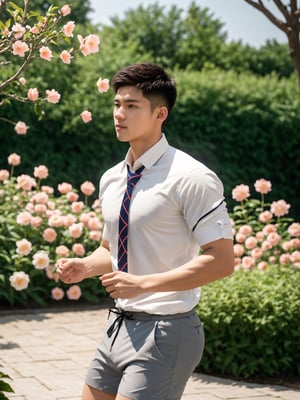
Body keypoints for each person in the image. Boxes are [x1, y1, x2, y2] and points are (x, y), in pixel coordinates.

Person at [57, 62, 234, 400]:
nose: (119, 114)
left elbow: (222, 261)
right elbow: (110, 250)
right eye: (116, 104)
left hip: (167, 331)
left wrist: (143, 284)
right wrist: (84, 267)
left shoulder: (191, 177)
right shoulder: (112, 177)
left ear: (160, 114)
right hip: (118, 325)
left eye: (132, 105)